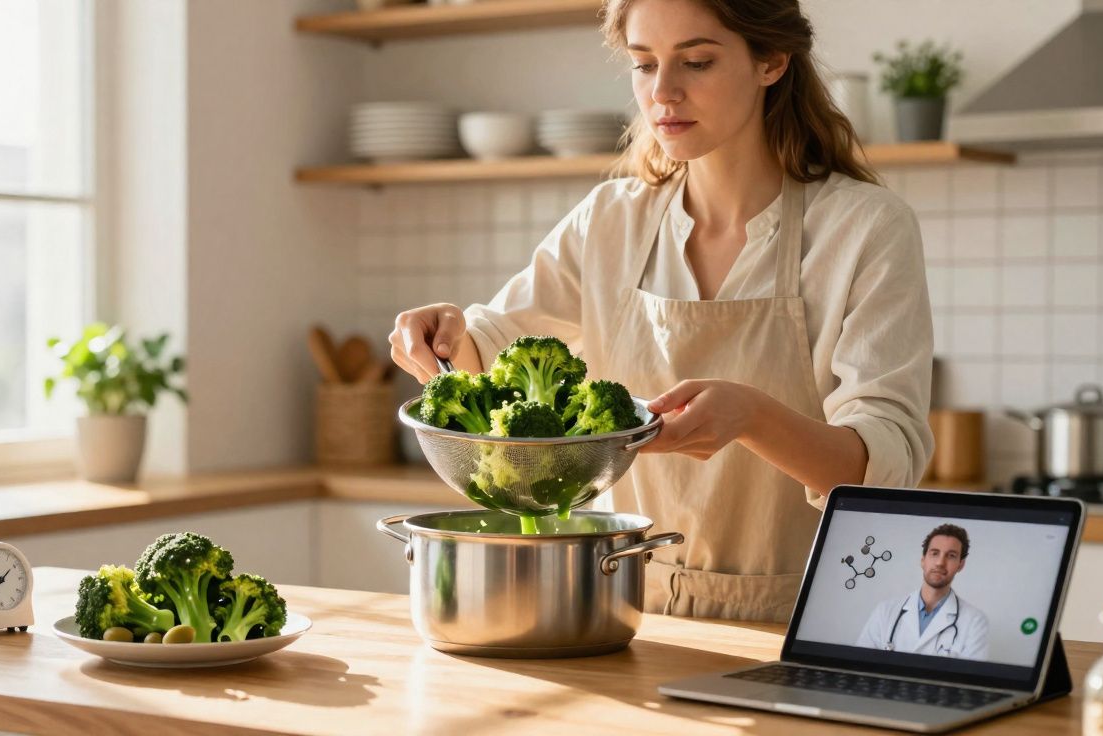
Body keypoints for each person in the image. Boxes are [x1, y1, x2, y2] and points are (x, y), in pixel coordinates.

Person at [388, 0, 933, 623]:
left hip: (808, 620)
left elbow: (882, 467)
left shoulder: (865, 228)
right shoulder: (610, 221)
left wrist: (752, 416)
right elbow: (489, 350)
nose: (664, 92)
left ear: (772, 61)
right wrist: (442, 335)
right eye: (644, 65)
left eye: (696, 61)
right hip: (623, 612)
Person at [855, 524, 990, 659]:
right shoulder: (885, 611)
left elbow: (966, 678)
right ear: (923, 560)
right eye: (935, 553)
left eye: (951, 555)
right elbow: (860, 663)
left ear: (960, 565)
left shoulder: (975, 622)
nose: (940, 563)